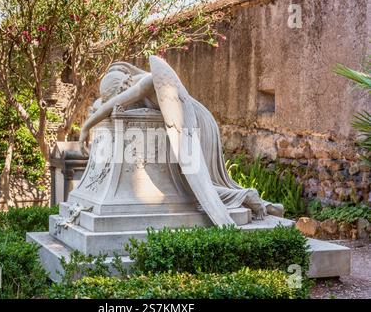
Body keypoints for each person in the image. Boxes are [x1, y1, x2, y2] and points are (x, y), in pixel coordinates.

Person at [79, 56, 284, 223]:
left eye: (121, 92)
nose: (124, 98)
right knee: (189, 187)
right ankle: (253, 200)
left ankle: (246, 196)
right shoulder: (137, 86)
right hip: (185, 122)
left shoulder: (147, 81)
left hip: (194, 123)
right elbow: (108, 104)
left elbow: (113, 103)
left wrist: (85, 127)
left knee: (194, 185)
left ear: (124, 85)